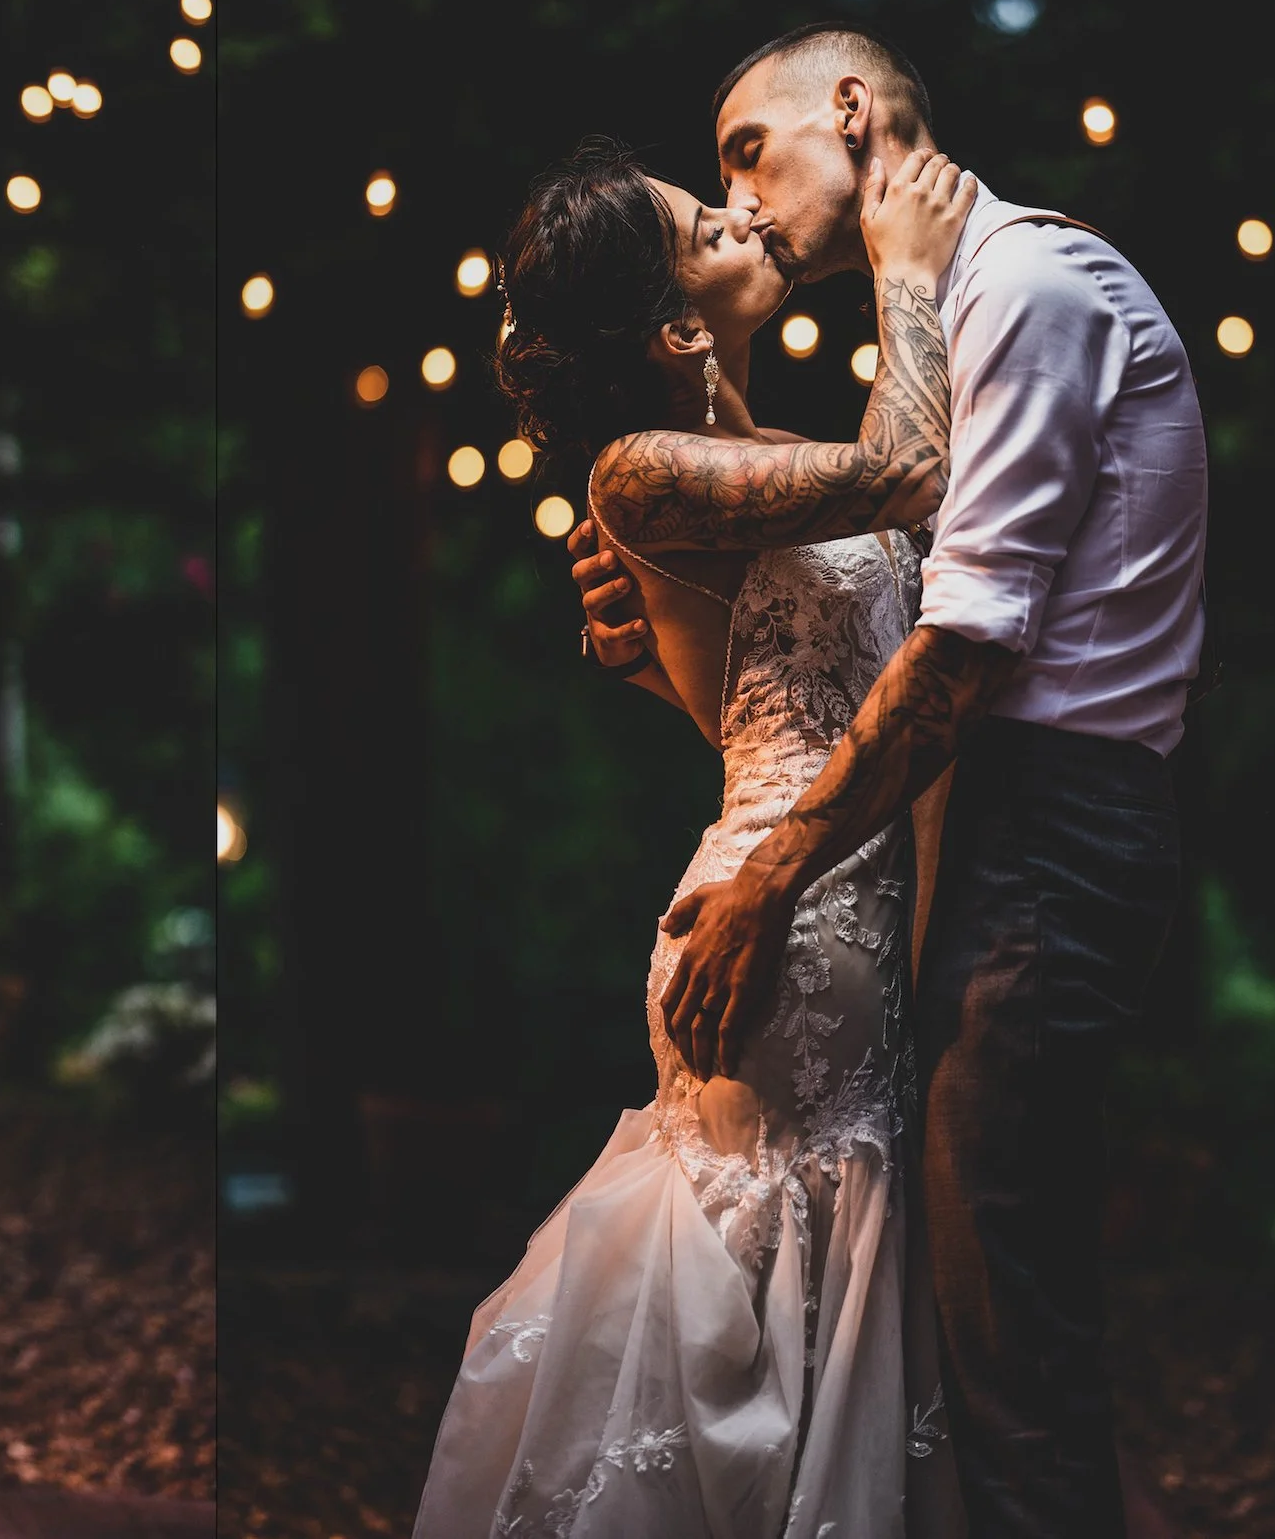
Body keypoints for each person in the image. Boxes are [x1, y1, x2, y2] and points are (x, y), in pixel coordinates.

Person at [608, 24, 1208, 1535]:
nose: (737, 196)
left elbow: (961, 646)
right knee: (954, 1321)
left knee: (1006, 1341)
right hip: (976, 838)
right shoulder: (955, 306)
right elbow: (837, 651)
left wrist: (768, 873)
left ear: (856, 111)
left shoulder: (1026, 285)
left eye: (748, 144)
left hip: (1049, 835)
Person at [414, 136, 975, 1537]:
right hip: (775, 926)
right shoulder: (644, 471)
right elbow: (913, 468)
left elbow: (782, 697)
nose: (738, 212)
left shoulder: (770, 459)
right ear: (674, 324)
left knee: (818, 1267)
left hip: (843, 892)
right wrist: (907, 275)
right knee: (779, 1268)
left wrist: (657, 658)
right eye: (701, 220)